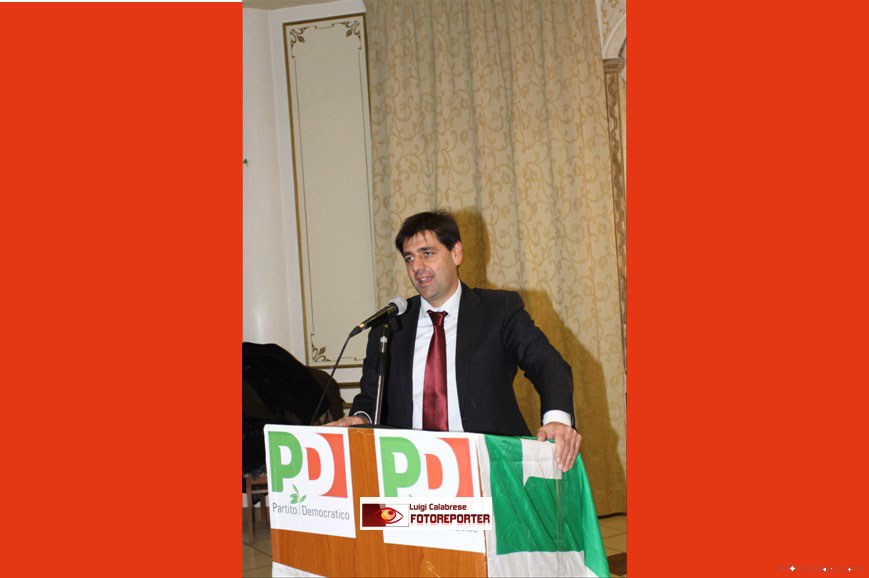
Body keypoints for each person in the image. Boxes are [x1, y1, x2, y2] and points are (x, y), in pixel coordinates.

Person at [327, 210, 581, 471]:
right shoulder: (389, 326)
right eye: (409, 258)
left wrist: (557, 420)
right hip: (408, 471)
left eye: (427, 253)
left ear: (456, 253)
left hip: (489, 468)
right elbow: (371, 398)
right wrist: (360, 418)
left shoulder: (499, 310)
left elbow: (547, 364)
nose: (417, 267)